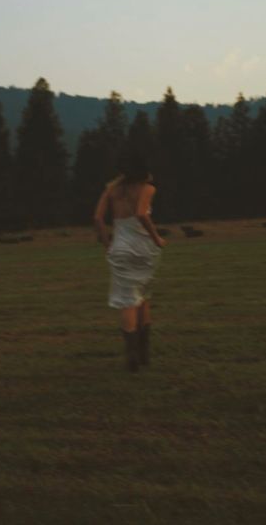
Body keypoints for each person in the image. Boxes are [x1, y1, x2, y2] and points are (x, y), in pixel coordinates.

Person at [94, 152, 166, 372]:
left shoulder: (111, 191)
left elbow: (97, 218)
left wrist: (107, 244)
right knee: (144, 296)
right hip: (144, 248)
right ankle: (144, 354)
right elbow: (142, 214)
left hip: (121, 247)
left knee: (128, 300)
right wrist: (157, 239)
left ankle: (131, 355)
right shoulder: (147, 189)